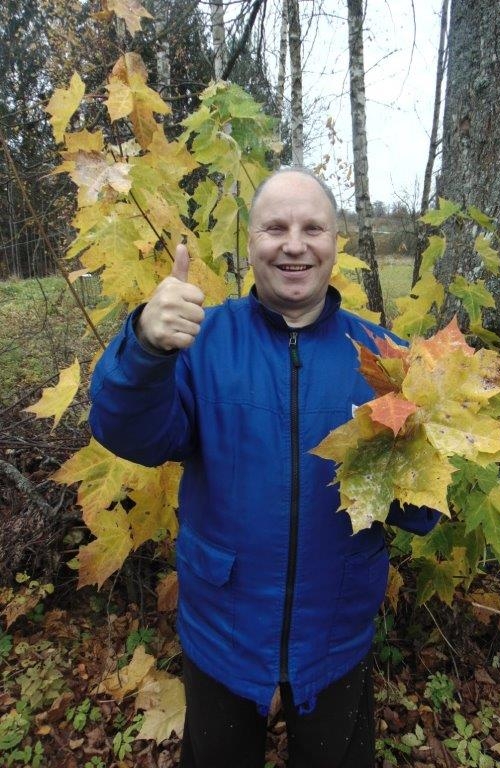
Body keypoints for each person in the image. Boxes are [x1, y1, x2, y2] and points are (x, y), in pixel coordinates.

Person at [89, 168, 440, 768]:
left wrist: (425, 452)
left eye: (313, 228)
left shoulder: (384, 360)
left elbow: (421, 510)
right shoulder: (204, 343)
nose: (294, 243)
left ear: (336, 242)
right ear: (250, 242)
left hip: (336, 629)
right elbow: (131, 433)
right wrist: (146, 348)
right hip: (223, 625)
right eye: (275, 227)